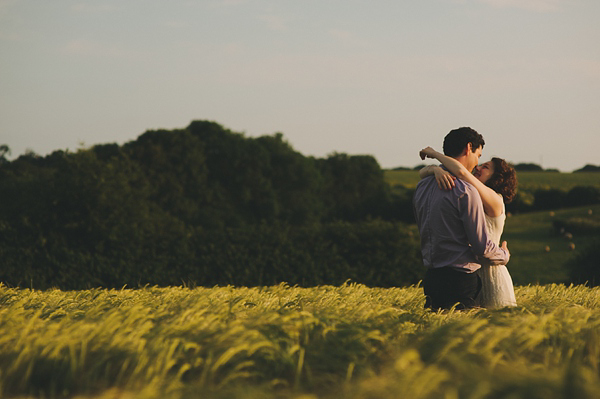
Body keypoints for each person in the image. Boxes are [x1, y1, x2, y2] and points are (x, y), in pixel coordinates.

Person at [412, 127, 510, 311]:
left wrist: (433, 167)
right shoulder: (466, 191)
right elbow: (481, 246)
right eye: (478, 155)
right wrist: (504, 254)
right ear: (468, 148)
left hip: (432, 277)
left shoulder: (422, 186)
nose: (477, 164)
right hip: (461, 279)